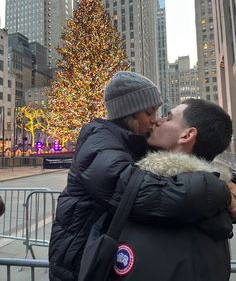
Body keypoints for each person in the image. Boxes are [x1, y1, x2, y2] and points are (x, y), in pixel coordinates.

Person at [48, 72, 232, 281]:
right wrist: (219, 188)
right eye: (150, 112)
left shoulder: (138, 150)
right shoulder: (101, 142)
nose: (156, 120)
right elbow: (134, 190)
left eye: (164, 115)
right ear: (129, 114)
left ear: (187, 135)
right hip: (78, 262)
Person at [111, 98, 234, 281]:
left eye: (168, 117)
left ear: (186, 135)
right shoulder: (210, 197)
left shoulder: (173, 195)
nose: (156, 121)